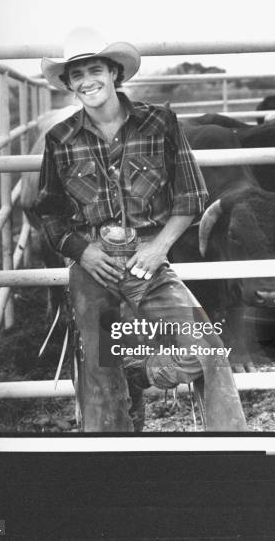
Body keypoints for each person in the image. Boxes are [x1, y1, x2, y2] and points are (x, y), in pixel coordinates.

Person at [34, 26, 246, 432]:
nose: (86, 81)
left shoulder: (159, 122)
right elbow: (49, 211)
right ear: (69, 84)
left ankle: (225, 445)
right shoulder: (59, 138)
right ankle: (113, 461)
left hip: (149, 258)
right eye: (76, 75)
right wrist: (83, 251)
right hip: (94, 265)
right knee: (99, 374)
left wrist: (158, 248)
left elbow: (192, 196)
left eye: (94, 69)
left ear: (114, 73)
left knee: (209, 352)